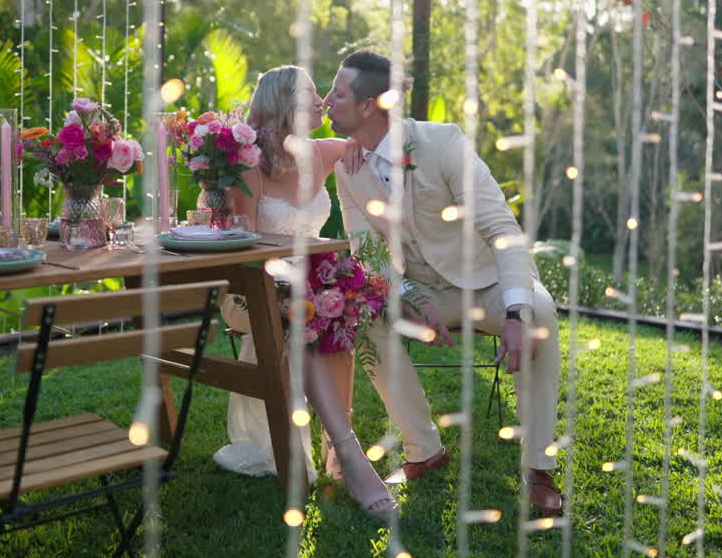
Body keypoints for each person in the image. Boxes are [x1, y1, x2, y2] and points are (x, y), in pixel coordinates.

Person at [322, 49, 564, 516]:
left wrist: (517, 313)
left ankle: (538, 468)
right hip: (424, 292)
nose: (329, 100)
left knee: (542, 313)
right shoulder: (348, 170)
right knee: (366, 319)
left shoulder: (444, 144)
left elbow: (503, 231)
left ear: (370, 105)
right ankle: (424, 451)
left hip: (487, 283)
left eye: (339, 92)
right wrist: (408, 296)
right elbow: (367, 253)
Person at [212, 65, 396, 519]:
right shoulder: (248, 164)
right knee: (311, 314)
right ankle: (349, 454)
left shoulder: (323, 151)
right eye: (312, 94)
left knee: (333, 309)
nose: (323, 102)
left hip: (307, 284)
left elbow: (373, 142)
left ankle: (340, 448)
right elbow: (245, 246)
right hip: (251, 287)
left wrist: (357, 151)